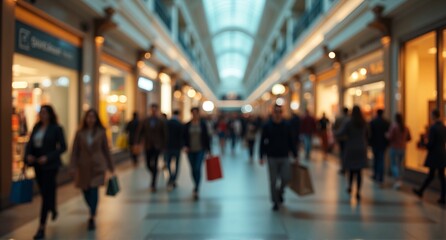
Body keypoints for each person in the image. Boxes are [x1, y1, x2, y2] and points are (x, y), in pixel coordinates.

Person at [24, 105, 67, 240]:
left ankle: (41, 227)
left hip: (50, 166)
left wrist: (48, 157)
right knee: (46, 192)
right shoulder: (36, 127)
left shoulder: (56, 128)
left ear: (50, 114)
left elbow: (63, 147)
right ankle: (53, 208)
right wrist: (28, 156)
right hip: (37, 165)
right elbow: (30, 144)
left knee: (46, 194)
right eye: (41, 113)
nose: (42, 115)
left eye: (45, 113)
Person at [70, 109, 115, 231]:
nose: (90, 119)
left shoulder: (101, 132)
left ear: (96, 119)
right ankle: (92, 208)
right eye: (88, 117)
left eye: (93, 117)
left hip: (98, 166)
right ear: (85, 118)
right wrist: (72, 166)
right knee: (85, 190)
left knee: (94, 189)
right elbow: (75, 151)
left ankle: (92, 216)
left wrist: (111, 166)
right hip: (83, 166)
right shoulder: (80, 133)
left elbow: (106, 150)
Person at [260, 105, 298, 211]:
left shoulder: (287, 125)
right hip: (271, 156)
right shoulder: (267, 126)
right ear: (273, 113)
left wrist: (295, 154)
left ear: (282, 113)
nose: (277, 114)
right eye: (276, 112)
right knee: (273, 180)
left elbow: (291, 141)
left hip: (284, 156)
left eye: (279, 112)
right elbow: (263, 141)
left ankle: (280, 192)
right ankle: (275, 201)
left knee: (286, 178)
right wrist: (261, 156)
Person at [413, 109, 446, 205]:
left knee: (432, 175)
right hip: (442, 154)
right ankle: (441, 196)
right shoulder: (443, 127)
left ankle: (421, 191)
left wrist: (424, 143)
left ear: (433, 116)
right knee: (440, 176)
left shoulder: (433, 128)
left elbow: (431, 143)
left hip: (435, 155)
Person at [336, 106, 368, 201]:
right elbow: (368, 134)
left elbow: (340, 133)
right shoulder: (363, 122)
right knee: (359, 171)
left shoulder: (349, 122)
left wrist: (334, 132)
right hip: (361, 147)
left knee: (351, 169)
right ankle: (358, 191)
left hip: (351, 147)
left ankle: (350, 186)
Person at [137, 104, 167, 192]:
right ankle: (154, 172)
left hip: (157, 146)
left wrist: (164, 145)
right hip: (148, 146)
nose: (153, 111)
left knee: (155, 162)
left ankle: (153, 183)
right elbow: (140, 132)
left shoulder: (161, 121)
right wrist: (137, 143)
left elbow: (164, 134)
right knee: (148, 164)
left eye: (155, 110)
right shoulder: (145, 121)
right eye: (152, 110)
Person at [183, 107, 211, 200]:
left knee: (197, 167)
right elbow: (183, 137)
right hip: (190, 150)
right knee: (192, 169)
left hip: (200, 149)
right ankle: (195, 183)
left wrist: (209, 150)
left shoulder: (203, 125)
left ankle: (197, 187)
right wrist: (185, 146)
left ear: (198, 114)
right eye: (193, 113)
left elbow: (207, 138)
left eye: (196, 113)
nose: (195, 115)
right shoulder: (187, 125)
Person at [386, 113, 411, 189]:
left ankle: (397, 179)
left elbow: (390, 137)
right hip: (402, 148)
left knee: (394, 164)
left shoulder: (394, 127)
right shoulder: (406, 127)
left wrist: (386, 135)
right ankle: (400, 179)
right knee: (400, 164)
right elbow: (409, 138)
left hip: (394, 147)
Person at [369, 109, 390, 184]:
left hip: (375, 143)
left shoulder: (373, 122)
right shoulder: (386, 122)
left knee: (376, 159)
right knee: (381, 160)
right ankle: (380, 177)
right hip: (383, 144)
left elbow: (369, 133)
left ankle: (375, 175)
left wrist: (369, 142)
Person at [165, 110, 184, 190]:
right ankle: (173, 178)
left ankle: (171, 177)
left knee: (168, 163)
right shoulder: (179, 124)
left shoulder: (167, 123)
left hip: (168, 146)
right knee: (176, 164)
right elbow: (182, 136)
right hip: (177, 147)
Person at [333, 107, 349, 174]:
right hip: (347, 139)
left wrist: (336, 134)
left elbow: (334, 128)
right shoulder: (349, 119)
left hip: (341, 138)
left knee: (342, 153)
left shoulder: (339, 118)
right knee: (346, 153)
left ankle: (343, 167)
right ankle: (345, 167)